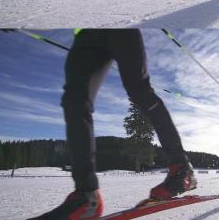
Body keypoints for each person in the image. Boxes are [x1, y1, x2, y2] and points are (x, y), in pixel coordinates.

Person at [30, 29, 196, 220]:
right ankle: (86, 196)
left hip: (123, 31)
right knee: (75, 100)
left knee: (139, 90)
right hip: (85, 35)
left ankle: (181, 170)